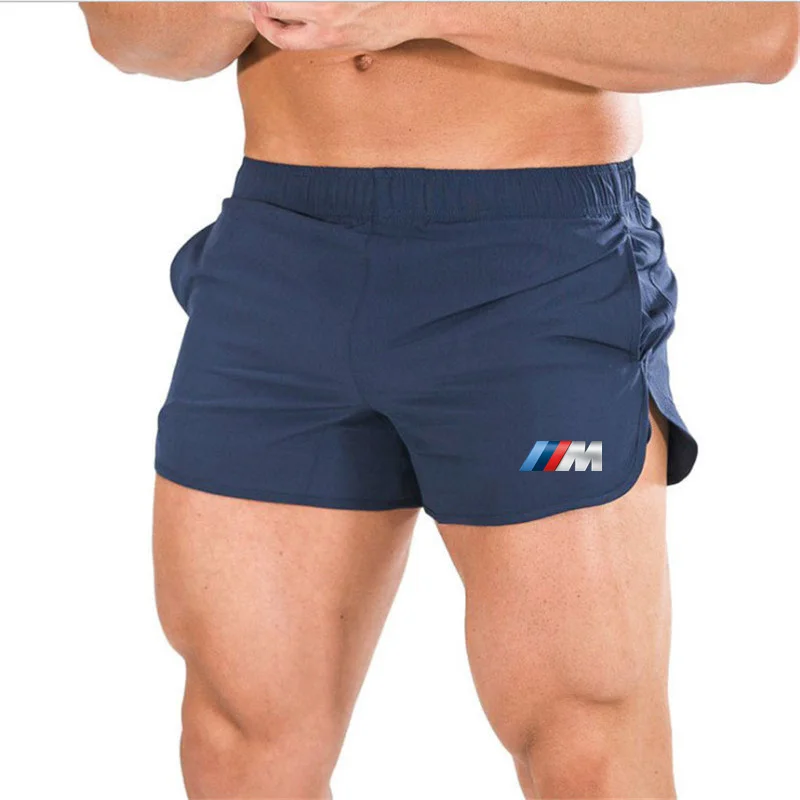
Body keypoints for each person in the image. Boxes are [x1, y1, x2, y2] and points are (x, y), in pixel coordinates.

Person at [79, 3, 799, 798]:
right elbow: (124, 33)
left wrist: (420, 8)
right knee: (237, 743)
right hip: (280, 261)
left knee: (585, 743)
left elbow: (763, 30)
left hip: (531, 268)